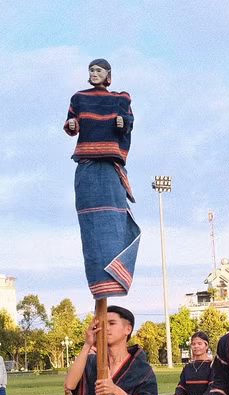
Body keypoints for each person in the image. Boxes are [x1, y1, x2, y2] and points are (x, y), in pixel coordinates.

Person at [65, 59, 141, 299]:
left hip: (110, 168)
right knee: (90, 229)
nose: (94, 73)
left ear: (108, 75)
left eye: (98, 70)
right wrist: (72, 124)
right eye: (91, 70)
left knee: (116, 223)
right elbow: (70, 125)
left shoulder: (120, 98)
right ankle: (100, 284)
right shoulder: (79, 97)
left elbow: (128, 123)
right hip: (87, 167)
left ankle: (115, 278)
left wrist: (123, 122)